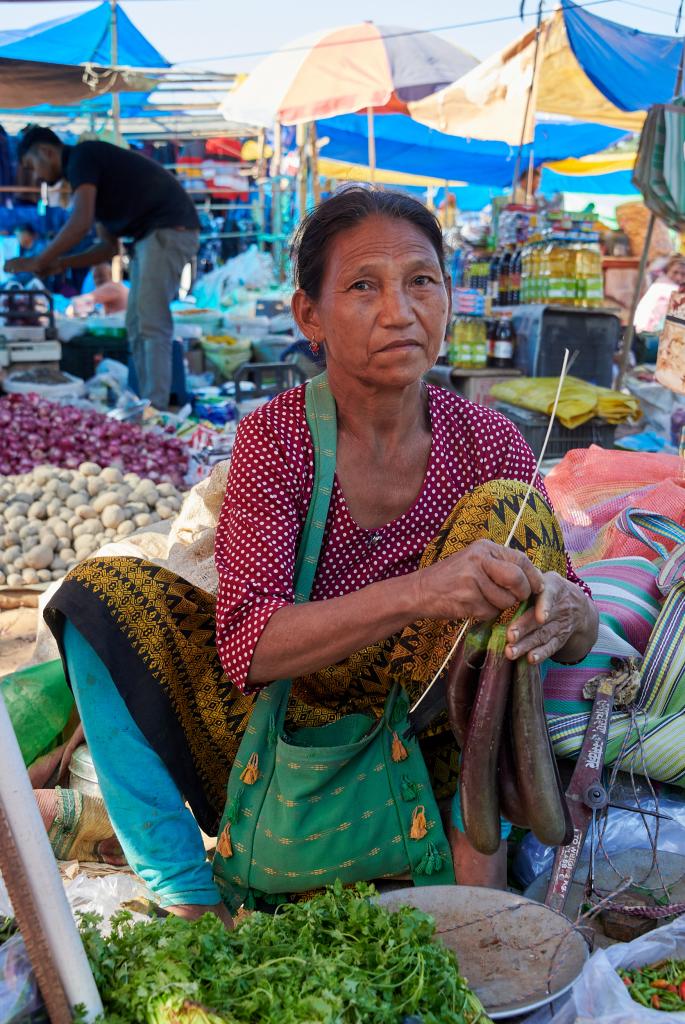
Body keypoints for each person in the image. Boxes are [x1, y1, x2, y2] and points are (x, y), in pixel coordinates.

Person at [44, 188, 598, 929]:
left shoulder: (488, 442)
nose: (399, 311)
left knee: (510, 511)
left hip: (431, 719)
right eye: (363, 286)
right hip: (285, 717)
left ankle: (480, 890)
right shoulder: (280, 439)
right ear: (310, 316)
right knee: (99, 594)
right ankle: (188, 897)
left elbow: (583, 631)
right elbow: (252, 646)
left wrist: (563, 608)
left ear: (448, 297)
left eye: (421, 281)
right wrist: (419, 591)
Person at [6, 126, 200, 409]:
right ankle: (144, 403)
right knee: (136, 325)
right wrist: (60, 263)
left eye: (31, 165)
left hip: (168, 230)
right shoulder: (89, 177)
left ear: (47, 152)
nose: (35, 175)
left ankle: (155, 409)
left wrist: (40, 260)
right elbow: (107, 248)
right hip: (153, 236)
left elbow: (80, 222)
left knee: (151, 323)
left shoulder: (83, 157)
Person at [634, 254, 685, 334]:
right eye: (675, 272)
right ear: (667, 271)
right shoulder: (664, 287)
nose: (678, 277)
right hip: (651, 331)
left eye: (683, 274)